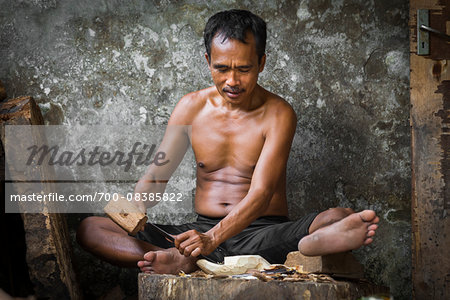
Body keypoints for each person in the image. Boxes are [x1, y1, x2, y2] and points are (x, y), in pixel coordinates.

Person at [76, 9, 379, 274]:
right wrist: (138, 203)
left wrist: (211, 242)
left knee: (340, 217)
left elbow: (260, 194)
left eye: (244, 69)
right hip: (200, 229)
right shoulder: (190, 107)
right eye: (221, 68)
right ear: (208, 61)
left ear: (261, 62)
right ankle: (192, 258)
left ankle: (197, 260)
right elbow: (157, 175)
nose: (232, 81)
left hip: (262, 232)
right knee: (92, 228)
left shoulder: (279, 113)